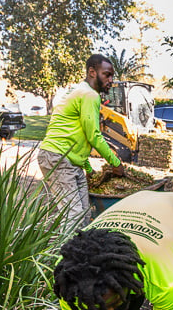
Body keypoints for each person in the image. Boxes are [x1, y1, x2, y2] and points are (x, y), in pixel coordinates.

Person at [37, 54, 124, 229]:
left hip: (69, 160)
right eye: (107, 74)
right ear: (92, 72)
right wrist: (115, 163)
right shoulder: (89, 95)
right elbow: (93, 135)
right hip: (58, 157)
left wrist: (89, 169)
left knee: (84, 213)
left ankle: (79, 252)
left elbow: (77, 136)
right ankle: (60, 255)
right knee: (74, 215)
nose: (111, 80)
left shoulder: (81, 91)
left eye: (112, 76)